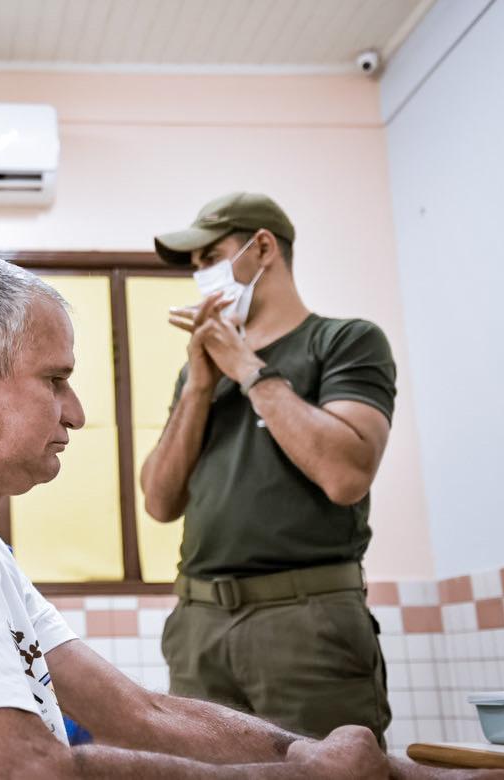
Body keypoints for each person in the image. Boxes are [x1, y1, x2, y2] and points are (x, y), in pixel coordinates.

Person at [0, 251, 504, 780]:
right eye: (54, 379)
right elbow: (23, 770)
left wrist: (313, 752)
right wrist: (301, 775)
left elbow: (136, 712)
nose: (79, 411)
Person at [140, 191, 397, 745]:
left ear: (261, 249)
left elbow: (347, 475)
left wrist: (248, 369)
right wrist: (202, 385)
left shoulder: (345, 341)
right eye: (194, 267)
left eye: (210, 258)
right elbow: (159, 502)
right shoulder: (198, 375)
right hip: (199, 624)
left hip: (306, 622)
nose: (202, 276)